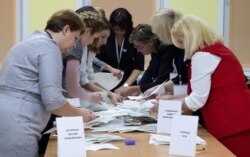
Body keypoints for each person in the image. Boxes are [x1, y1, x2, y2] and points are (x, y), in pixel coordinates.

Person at [0, 9, 96, 157]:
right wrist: (80, 114)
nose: (73, 45)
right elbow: (53, 101)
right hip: (19, 124)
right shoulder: (50, 47)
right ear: (66, 29)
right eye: (75, 38)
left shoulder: (32, 41)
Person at [156, 15, 250, 157]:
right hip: (240, 119)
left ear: (189, 37)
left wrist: (167, 107)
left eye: (182, 42)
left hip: (230, 124)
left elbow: (197, 100)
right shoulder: (217, 50)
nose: (183, 48)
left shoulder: (203, 56)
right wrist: (172, 100)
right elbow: (204, 92)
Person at [116, 24, 180, 97]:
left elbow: (161, 81)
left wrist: (137, 89)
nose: (138, 50)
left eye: (140, 46)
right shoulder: (155, 50)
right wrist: (136, 88)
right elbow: (149, 73)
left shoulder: (165, 48)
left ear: (150, 42)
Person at [78, 7, 123, 109]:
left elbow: (90, 79)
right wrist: (109, 94)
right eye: (103, 37)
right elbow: (83, 82)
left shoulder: (90, 49)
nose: (105, 42)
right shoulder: (80, 47)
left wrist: (109, 93)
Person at [62, 9, 105, 110]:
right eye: (95, 38)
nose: (92, 43)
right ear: (88, 32)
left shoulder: (78, 45)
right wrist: (91, 97)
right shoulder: (76, 46)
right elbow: (72, 88)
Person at [96, 8, 144, 92]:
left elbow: (139, 66)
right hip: (105, 83)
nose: (119, 32)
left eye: (122, 30)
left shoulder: (134, 36)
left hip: (128, 84)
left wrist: (125, 86)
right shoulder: (106, 34)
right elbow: (96, 59)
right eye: (116, 29)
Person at [143, 8, 188, 97]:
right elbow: (180, 76)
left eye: (158, 32)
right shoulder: (174, 47)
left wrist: (172, 98)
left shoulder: (184, 48)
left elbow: (187, 79)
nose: (158, 36)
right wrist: (160, 88)